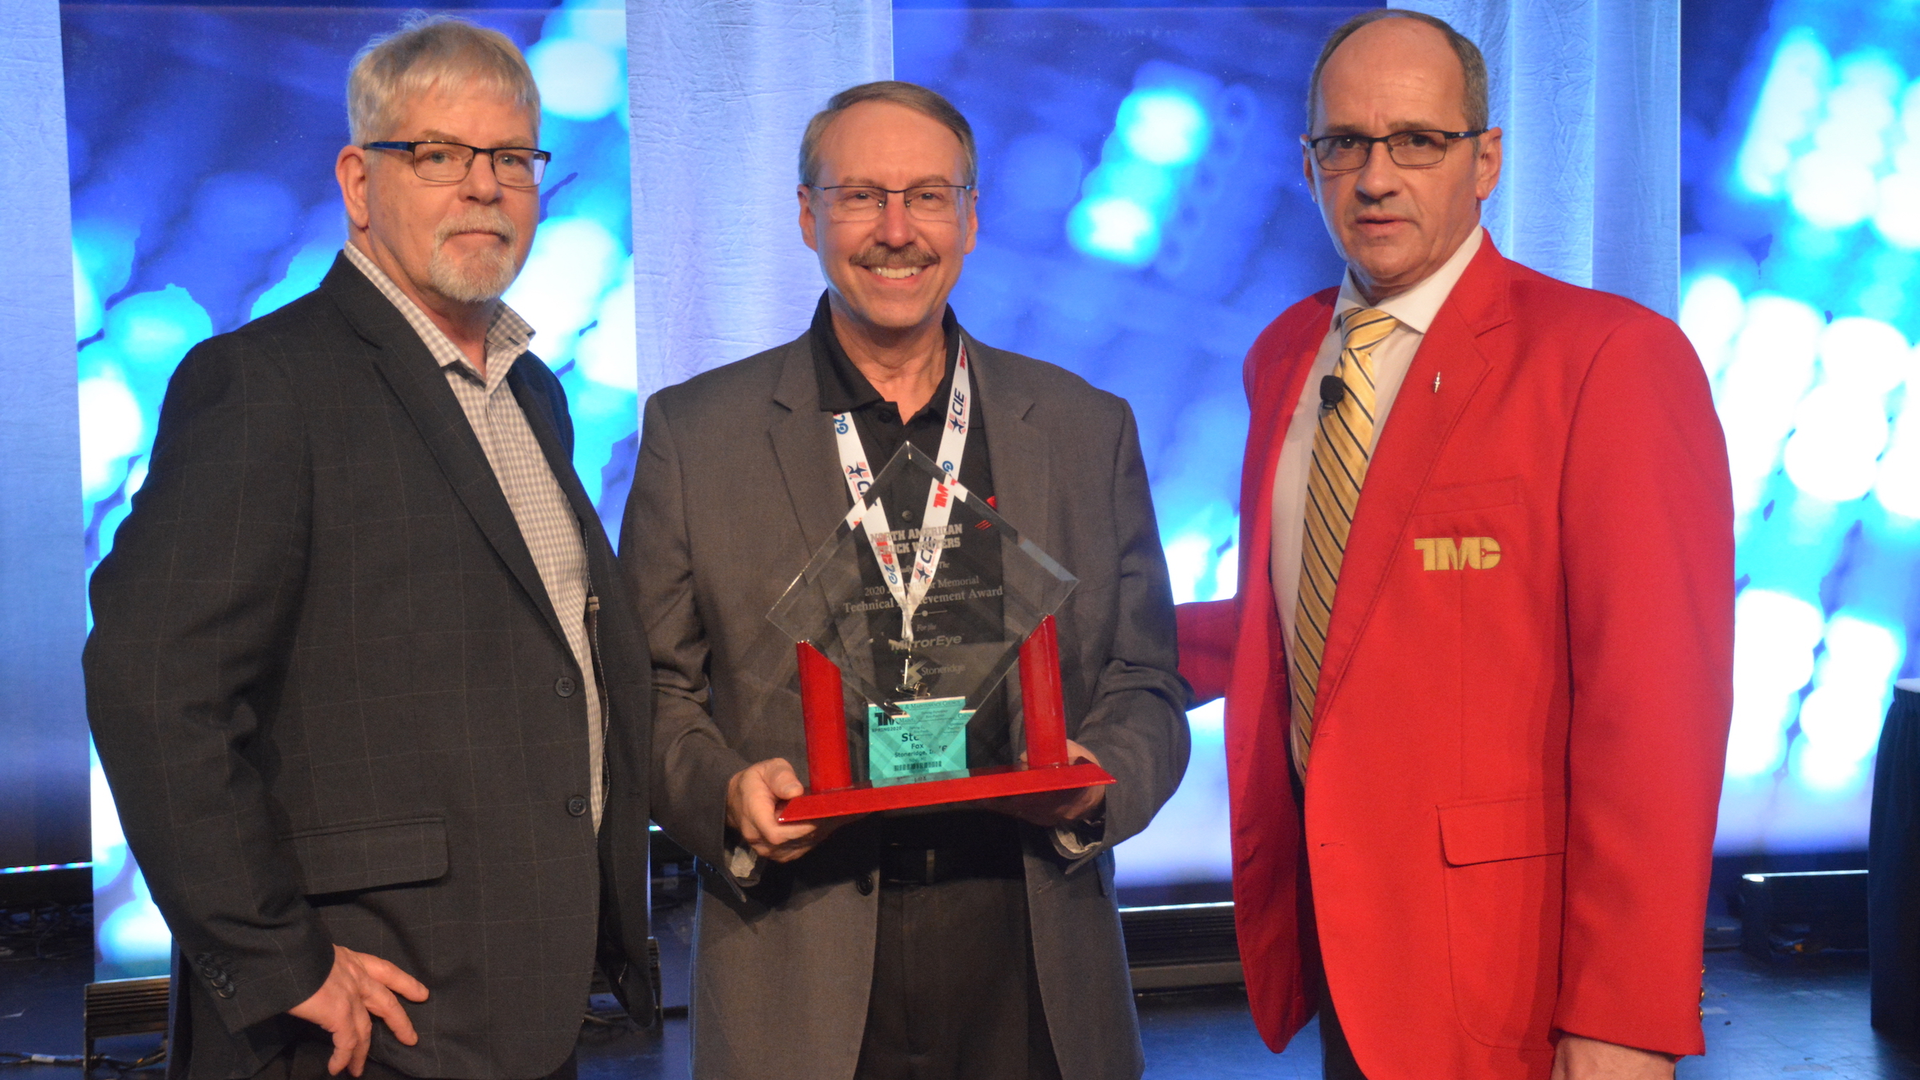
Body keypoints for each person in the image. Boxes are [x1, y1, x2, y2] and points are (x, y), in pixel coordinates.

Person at [84, 18, 652, 1080]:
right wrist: (276, 960)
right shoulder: (263, 384)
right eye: (438, 154)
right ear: (357, 181)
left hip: (524, 1008)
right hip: (359, 1021)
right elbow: (154, 687)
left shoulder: (532, 393)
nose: (484, 187)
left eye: (513, 158)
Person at [1175, 11, 1733, 1080]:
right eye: (1346, 143)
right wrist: (1058, 648)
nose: (1376, 176)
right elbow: (1317, 616)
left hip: (1508, 969)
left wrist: (1626, 1013)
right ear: (1308, 166)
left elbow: (1656, 706)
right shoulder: (1286, 352)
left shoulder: (1609, 360)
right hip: (1341, 937)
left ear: (1486, 161)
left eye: (1417, 141)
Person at [621, 81, 1189, 1080]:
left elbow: (1147, 683)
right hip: (800, 971)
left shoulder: (1084, 429)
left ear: (970, 218)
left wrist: (1100, 784)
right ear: (807, 216)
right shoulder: (694, 436)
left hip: (1032, 963)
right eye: (860, 197)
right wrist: (725, 795)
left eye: (928, 196)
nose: (897, 231)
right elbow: (653, 698)